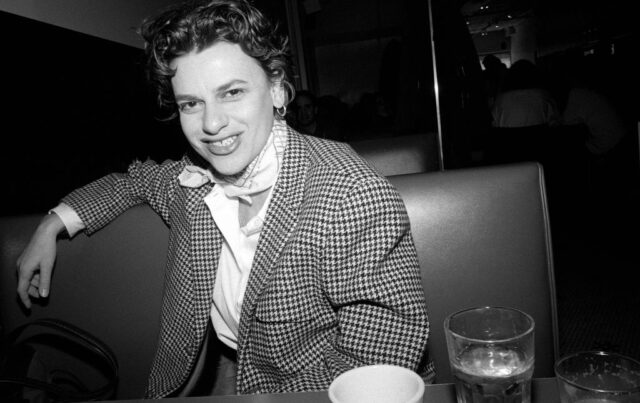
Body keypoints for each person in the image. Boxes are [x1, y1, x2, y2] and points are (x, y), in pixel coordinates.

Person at [16, 0, 432, 398]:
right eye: (192, 103)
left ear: (276, 89)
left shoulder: (351, 195)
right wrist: (54, 222)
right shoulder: (190, 182)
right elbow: (135, 181)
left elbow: (376, 360)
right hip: (206, 376)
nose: (211, 124)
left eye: (232, 92)